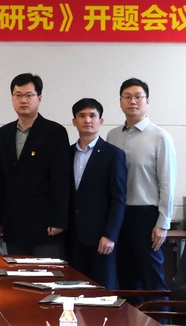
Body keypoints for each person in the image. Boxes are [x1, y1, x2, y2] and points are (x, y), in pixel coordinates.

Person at [106, 78, 176, 293]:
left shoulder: (160, 137)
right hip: (118, 216)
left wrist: (163, 223)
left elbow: (167, 182)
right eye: (127, 97)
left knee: (152, 278)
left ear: (147, 101)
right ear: (120, 101)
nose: (133, 101)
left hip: (146, 216)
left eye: (138, 97)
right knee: (126, 278)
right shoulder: (112, 136)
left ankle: (160, 314)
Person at [0, 73, 70, 258]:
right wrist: (0, 218)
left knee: (46, 273)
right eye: (18, 95)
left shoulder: (55, 132)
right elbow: (1, 178)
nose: (23, 100)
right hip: (13, 223)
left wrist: (58, 220)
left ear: (39, 98)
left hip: (45, 225)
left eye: (29, 95)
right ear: (12, 98)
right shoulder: (4, 133)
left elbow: (61, 180)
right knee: (14, 273)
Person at [67, 98, 127, 289]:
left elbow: (118, 198)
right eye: (82, 116)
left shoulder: (113, 154)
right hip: (72, 237)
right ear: (74, 121)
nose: (87, 120)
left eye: (92, 115)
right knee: (75, 291)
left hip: (101, 239)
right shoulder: (66, 153)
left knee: (103, 293)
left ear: (101, 121)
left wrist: (110, 235)